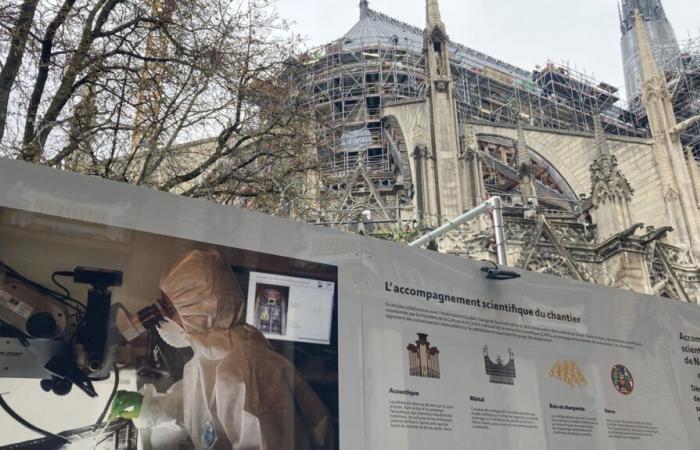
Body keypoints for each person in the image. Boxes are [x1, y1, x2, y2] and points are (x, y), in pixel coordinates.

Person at [114, 248, 334, 450]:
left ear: (202, 310)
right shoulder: (209, 359)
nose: (162, 319)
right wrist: (149, 407)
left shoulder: (246, 372)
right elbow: (195, 407)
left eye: (168, 309)